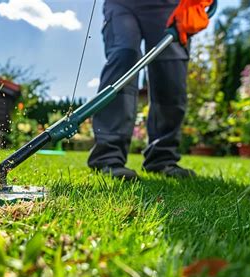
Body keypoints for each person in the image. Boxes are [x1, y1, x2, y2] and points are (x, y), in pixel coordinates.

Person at [88, 0, 212, 180]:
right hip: (122, 4)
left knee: (171, 76)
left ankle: (162, 158)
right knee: (124, 56)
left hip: (170, 6)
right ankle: (108, 157)